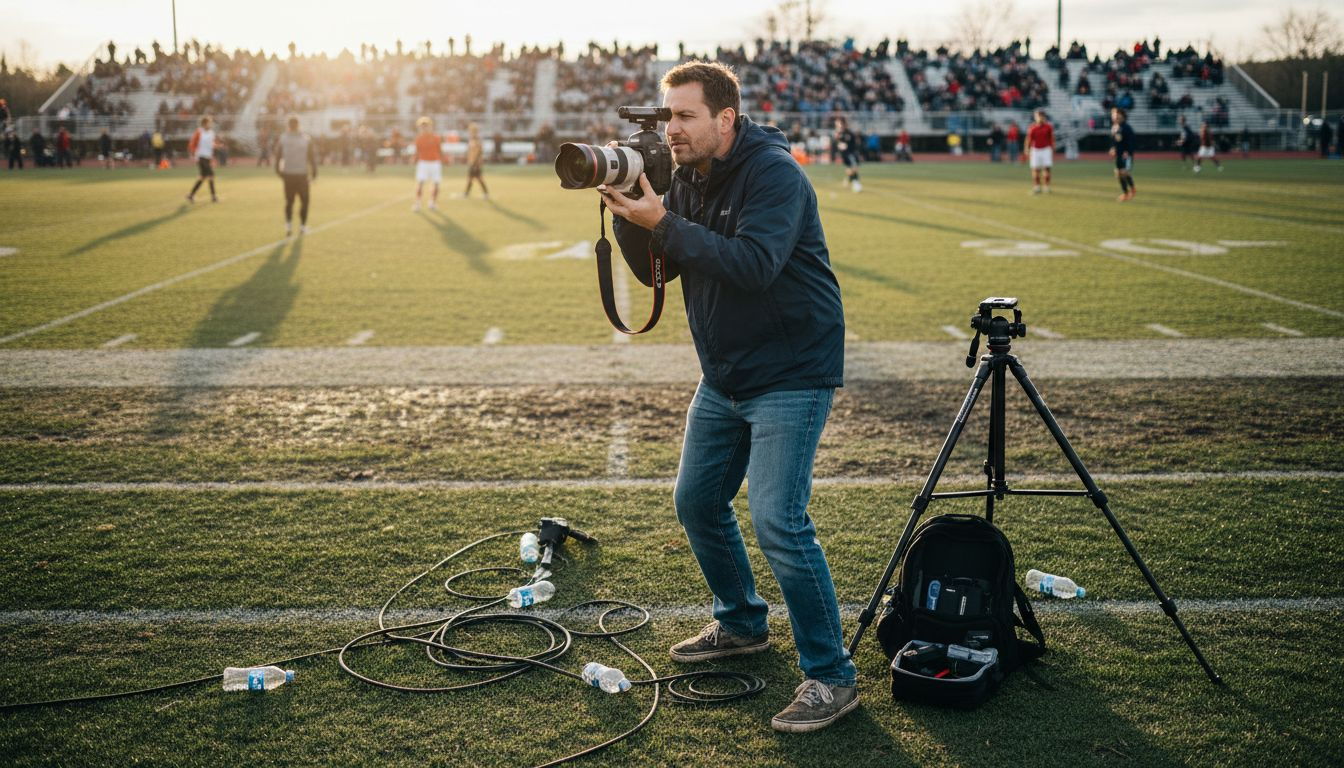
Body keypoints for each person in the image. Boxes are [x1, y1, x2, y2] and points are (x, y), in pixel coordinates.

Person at [602, 61, 856, 734]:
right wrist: (632, 212)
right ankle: (742, 622)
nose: (670, 130)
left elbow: (753, 265)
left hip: (791, 368)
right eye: (666, 116)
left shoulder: (777, 173)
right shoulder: (686, 175)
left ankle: (832, 676)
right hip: (726, 374)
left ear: (725, 118)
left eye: (683, 117)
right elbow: (662, 266)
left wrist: (664, 218)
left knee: (778, 519)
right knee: (696, 499)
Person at [274, 115, 318, 236]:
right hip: (302, 174)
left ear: (288, 125)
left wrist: (278, 171)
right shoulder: (305, 138)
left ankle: (288, 226)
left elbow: (277, 157)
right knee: (305, 201)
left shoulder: (283, 138)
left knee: (289, 201)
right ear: (298, 125)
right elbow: (311, 158)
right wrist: (314, 173)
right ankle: (302, 226)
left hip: (288, 174)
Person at [411, 116, 442, 211]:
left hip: (435, 163)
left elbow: (439, 150)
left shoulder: (436, 138)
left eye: (426, 126)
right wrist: (414, 159)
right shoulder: (418, 139)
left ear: (430, 126)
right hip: (423, 163)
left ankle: (432, 202)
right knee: (420, 183)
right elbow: (417, 151)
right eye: (422, 126)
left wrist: (444, 159)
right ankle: (417, 203)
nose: (424, 128)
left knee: (436, 183)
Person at [185, 116, 219, 202]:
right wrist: (193, 154)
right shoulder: (199, 132)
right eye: (209, 123)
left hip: (208, 157)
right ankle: (213, 196)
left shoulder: (211, 133)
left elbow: (211, 144)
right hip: (201, 157)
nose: (210, 124)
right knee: (211, 175)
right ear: (204, 124)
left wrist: (217, 146)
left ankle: (191, 195)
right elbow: (192, 144)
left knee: (202, 177)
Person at [1109, 107, 1136, 201]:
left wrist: (1128, 152)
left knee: (1124, 172)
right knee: (1118, 174)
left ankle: (1132, 190)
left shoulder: (1127, 128)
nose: (1115, 117)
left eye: (1117, 115)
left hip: (1126, 155)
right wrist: (1112, 149)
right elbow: (1114, 141)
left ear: (1123, 116)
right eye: (1114, 115)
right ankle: (1126, 193)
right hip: (1118, 155)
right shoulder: (1114, 127)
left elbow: (1132, 142)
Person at [1026, 109, 1054, 194]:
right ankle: (1037, 186)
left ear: (1044, 117)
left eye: (1041, 116)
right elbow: (1029, 139)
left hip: (1046, 149)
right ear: (1035, 117)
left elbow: (1051, 138)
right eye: (1038, 116)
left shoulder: (1048, 127)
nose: (1039, 118)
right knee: (1035, 169)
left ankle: (1047, 186)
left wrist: (1052, 147)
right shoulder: (1032, 127)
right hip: (1035, 150)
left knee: (1047, 168)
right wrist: (1027, 148)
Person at [832, 116, 861, 192]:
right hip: (844, 154)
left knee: (854, 167)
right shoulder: (837, 134)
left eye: (839, 124)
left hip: (851, 153)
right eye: (837, 124)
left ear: (843, 124)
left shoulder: (849, 133)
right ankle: (851, 179)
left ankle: (855, 182)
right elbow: (835, 144)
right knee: (848, 168)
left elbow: (853, 143)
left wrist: (847, 145)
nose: (838, 126)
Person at [461, 123, 489, 199]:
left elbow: (480, 152)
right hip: (472, 161)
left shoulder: (477, 140)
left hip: (476, 163)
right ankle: (467, 193)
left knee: (478, 178)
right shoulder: (472, 139)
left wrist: (475, 163)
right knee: (471, 178)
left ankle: (485, 193)